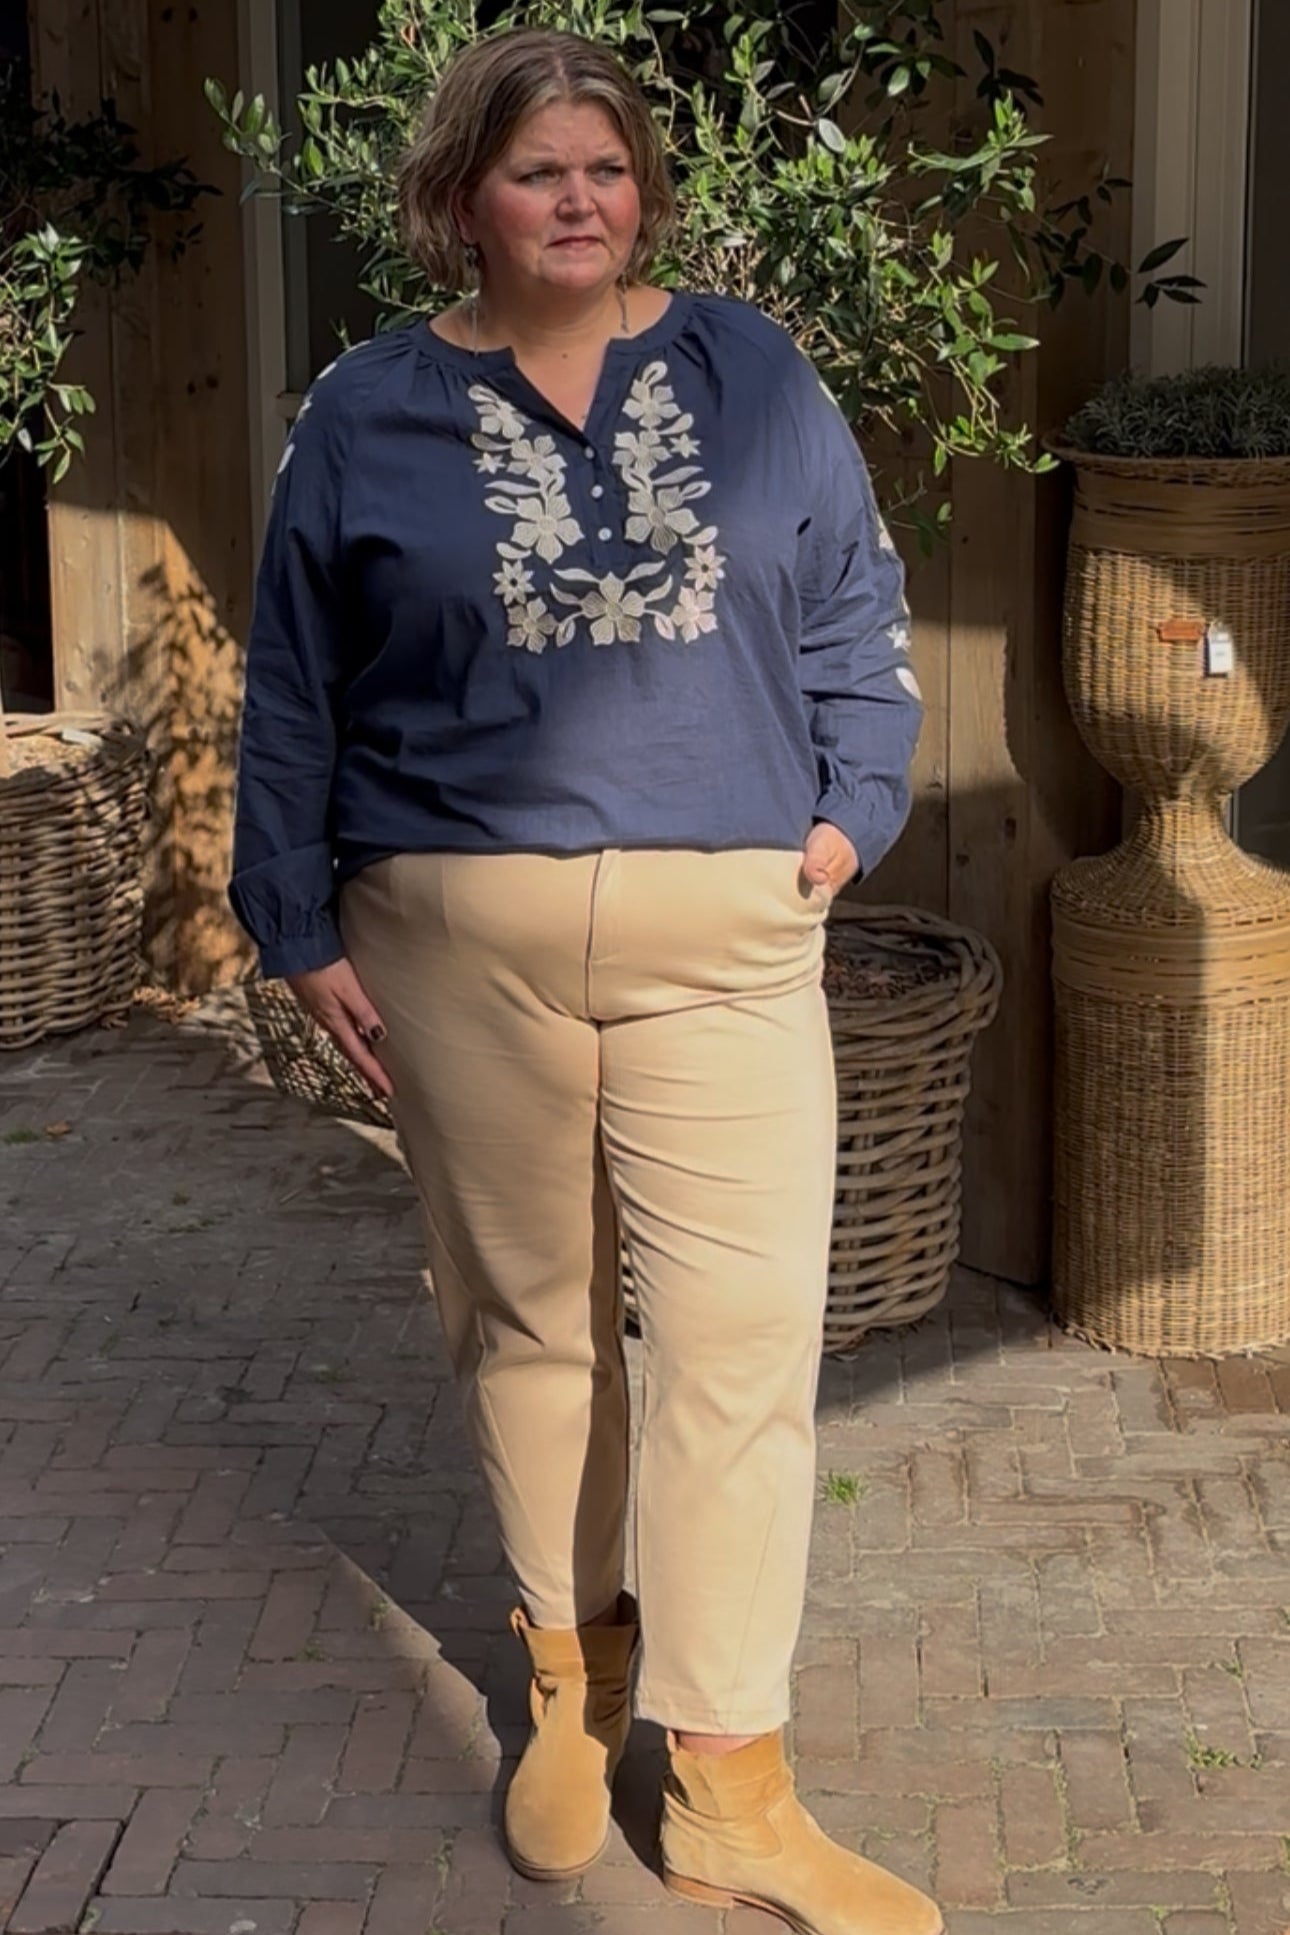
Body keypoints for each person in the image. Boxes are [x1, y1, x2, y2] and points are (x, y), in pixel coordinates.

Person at [229, 26, 934, 1935]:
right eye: (536, 170)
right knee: (531, 1329)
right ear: (460, 197)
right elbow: (294, 677)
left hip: (725, 939)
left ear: (644, 194)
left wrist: (846, 819)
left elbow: (856, 609)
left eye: (605, 169)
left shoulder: (748, 371)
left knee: (737, 1343)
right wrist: (291, 918)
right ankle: (571, 1683)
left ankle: (728, 1787)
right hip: (460, 947)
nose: (576, 200)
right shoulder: (365, 408)